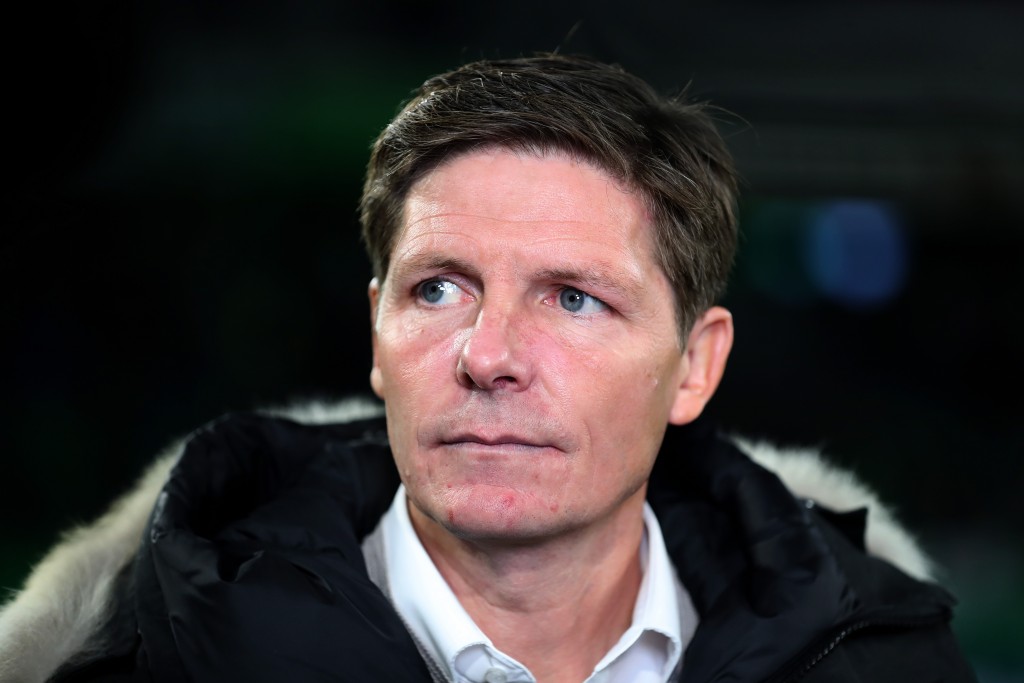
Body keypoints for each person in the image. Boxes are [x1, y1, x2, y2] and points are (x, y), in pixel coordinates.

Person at [0, 54, 975, 683]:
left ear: (694, 364)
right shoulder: (132, 662)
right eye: (438, 290)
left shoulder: (886, 657)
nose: (489, 355)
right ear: (375, 330)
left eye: (572, 296)